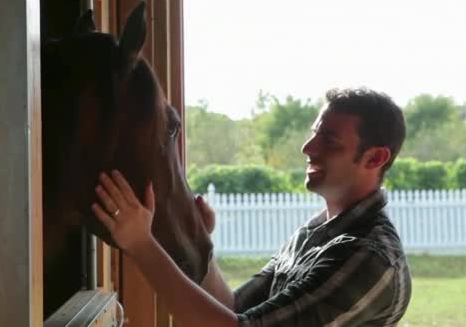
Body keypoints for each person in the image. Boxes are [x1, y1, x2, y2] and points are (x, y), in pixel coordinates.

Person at [92, 87, 412, 326]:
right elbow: (234, 307)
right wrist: (202, 240)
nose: (308, 147)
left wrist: (141, 245)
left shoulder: (369, 256)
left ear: (375, 158)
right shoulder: (313, 233)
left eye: (329, 140)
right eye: (315, 133)